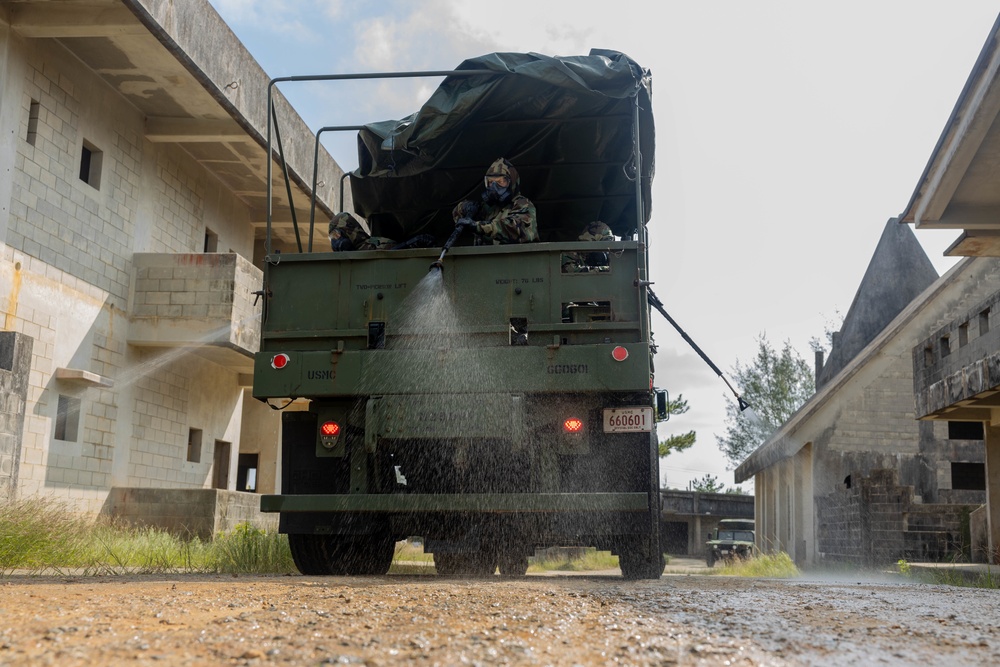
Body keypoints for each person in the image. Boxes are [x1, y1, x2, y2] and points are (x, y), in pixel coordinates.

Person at [452, 158, 538, 245]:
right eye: (490, 182)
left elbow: (515, 229)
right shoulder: (487, 208)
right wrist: (463, 208)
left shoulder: (523, 204)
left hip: (515, 257)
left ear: (511, 183)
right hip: (486, 257)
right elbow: (459, 218)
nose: (494, 187)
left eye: (500, 181)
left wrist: (478, 226)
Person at [328, 212, 396, 251]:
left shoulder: (381, 245)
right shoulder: (338, 262)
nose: (335, 240)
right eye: (332, 236)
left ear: (349, 230)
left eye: (336, 234)